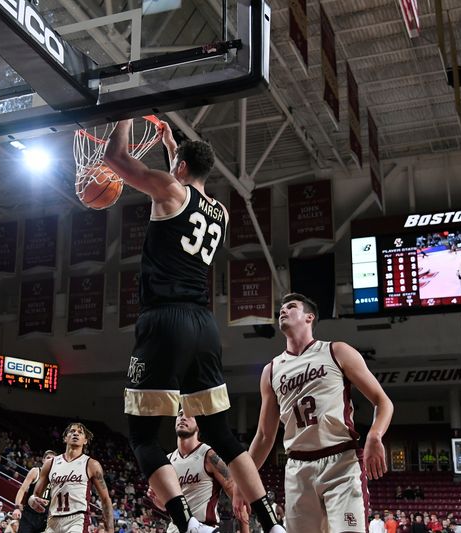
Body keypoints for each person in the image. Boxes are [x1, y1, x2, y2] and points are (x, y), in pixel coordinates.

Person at [104, 121, 279, 533]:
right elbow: (185, 184)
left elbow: (115, 159)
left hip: (164, 321)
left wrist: (123, 117)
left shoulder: (168, 188)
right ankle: (272, 523)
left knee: (143, 435)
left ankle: (187, 525)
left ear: (178, 166)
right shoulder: (218, 211)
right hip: (204, 325)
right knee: (220, 431)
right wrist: (171, 144)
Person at [246, 293, 394, 532]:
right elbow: (264, 437)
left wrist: (375, 435)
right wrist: (243, 484)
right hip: (297, 468)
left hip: (341, 462)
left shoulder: (337, 351)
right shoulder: (271, 371)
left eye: (291, 307)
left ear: (309, 317)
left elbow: (383, 401)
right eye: (281, 309)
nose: (282, 311)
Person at [148, 411, 243, 533]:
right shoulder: (168, 460)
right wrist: (161, 502)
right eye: (180, 414)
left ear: (199, 425)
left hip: (204, 527)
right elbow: (169, 507)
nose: (183, 418)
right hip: (175, 529)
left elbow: (237, 496)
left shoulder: (209, 455)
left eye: (189, 415)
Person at [28, 423, 113, 533]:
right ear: (65, 438)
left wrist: (110, 529)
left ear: (85, 440)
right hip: (53, 520)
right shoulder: (50, 463)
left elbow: (105, 499)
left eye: (80, 432)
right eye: (72, 431)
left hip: (77, 520)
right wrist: (32, 501)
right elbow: (36, 494)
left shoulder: (91, 464)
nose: (76, 434)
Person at [14, 451, 57, 533]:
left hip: (45, 517)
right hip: (29, 514)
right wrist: (17, 508)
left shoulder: (57, 477)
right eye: (48, 458)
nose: (50, 460)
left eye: (53, 459)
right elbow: (22, 489)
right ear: (43, 460)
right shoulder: (35, 471)